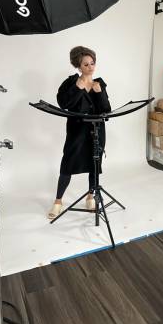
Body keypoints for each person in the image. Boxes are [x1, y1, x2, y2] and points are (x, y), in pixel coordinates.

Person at [48, 46, 111, 219]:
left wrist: (100, 94)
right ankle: (58, 201)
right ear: (78, 66)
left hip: (97, 130)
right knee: (68, 163)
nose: (91, 67)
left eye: (92, 63)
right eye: (86, 64)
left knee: (94, 163)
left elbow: (106, 110)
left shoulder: (99, 84)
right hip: (77, 131)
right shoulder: (70, 82)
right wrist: (77, 87)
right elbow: (64, 104)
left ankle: (91, 196)